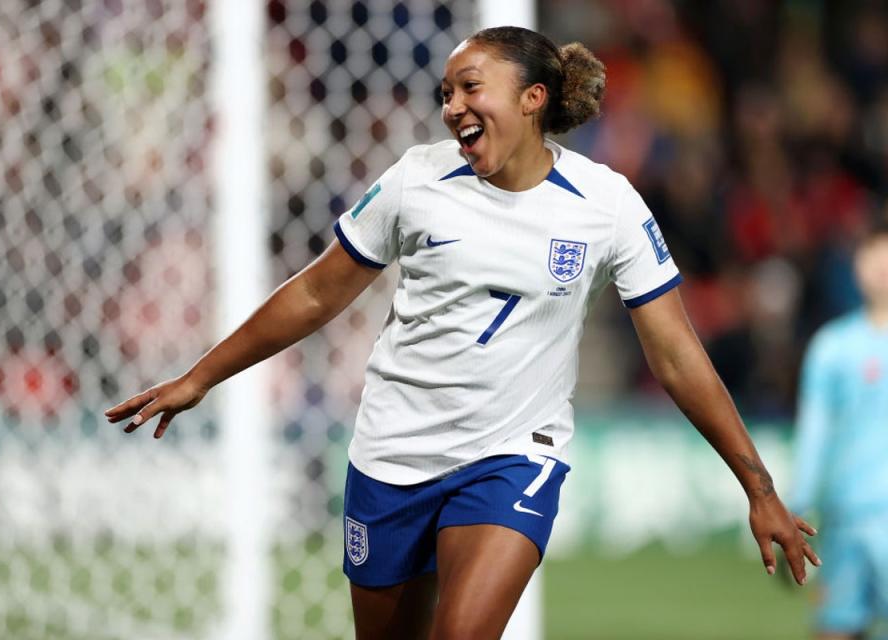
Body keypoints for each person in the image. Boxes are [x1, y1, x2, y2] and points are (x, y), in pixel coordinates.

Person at [106, 26, 820, 639]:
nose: (453, 108)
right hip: (392, 454)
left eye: (469, 87)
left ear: (531, 98)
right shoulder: (417, 182)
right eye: (446, 94)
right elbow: (318, 292)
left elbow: (675, 356)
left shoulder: (607, 205)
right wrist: (201, 375)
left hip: (513, 456)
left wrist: (757, 487)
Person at [790, 217, 888, 640]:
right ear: (856, 265)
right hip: (848, 515)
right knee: (835, 628)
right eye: (873, 255)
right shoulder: (832, 346)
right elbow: (813, 433)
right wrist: (795, 508)